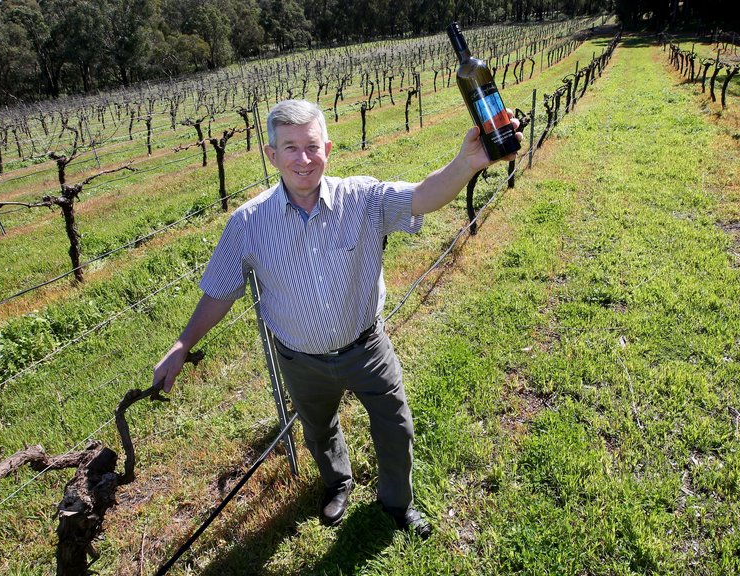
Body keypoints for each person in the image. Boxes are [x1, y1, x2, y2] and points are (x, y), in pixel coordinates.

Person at [154, 99, 521, 539]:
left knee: (396, 426)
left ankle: (396, 503)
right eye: (290, 148)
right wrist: (182, 345)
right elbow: (219, 292)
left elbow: (424, 195)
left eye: (311, 146)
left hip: (366, 348)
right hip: (299, 360)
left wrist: (467, 163)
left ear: (327, 147)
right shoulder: (248, 223)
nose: (303, 159)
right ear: (271, 155)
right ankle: (337, 483)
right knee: (319, 430)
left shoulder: (363, 198)